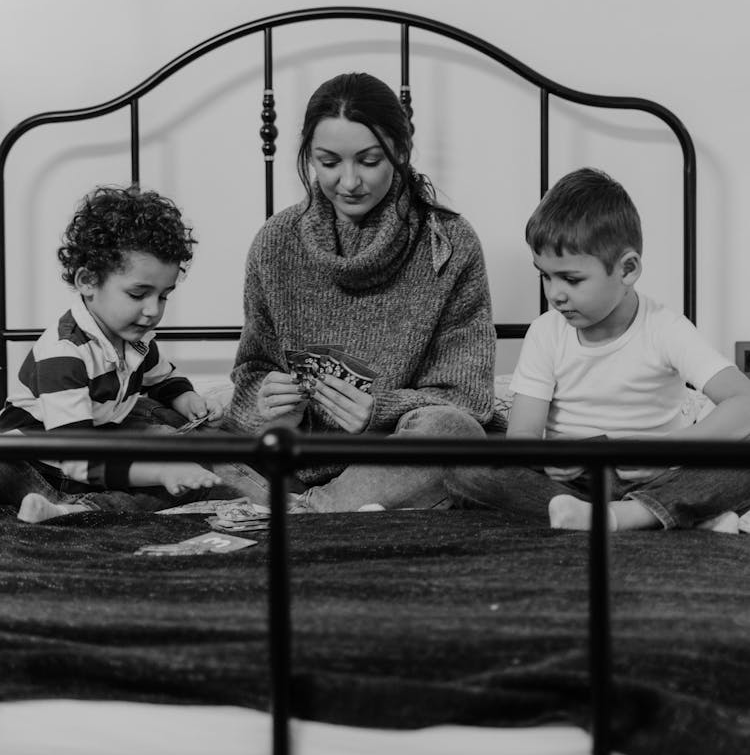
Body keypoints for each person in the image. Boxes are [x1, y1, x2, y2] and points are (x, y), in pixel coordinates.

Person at [225, 71, 497, 511]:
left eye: (368, 161)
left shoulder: (448, 243)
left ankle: (308, 512)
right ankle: (319, 508)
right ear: (309, 158)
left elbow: (467, 399)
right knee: (182, 442)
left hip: (393, 460)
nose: (349, 182)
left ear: (401, 151)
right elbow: (250, 376)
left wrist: (379, 410)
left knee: (453, 433)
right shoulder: (274, 243)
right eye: (329, 162)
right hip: (292, 461)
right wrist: (272, 409)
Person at [445, 167, 750, 531]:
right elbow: (523, 435)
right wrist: (546, 459)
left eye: (571, 279)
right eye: (545, 275)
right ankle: (666, 515)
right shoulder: (546, 333)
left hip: (655, 476)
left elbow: (744, 401)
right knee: (462, 465)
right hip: (572, 484)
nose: (555, 294)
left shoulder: (666, 329)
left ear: (627, 269)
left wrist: (669, 450)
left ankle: (629, 515)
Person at [0, 186, 224, 522]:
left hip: (86, 462)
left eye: (163, 296)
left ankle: (70, 512)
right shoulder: (64, 354)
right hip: (32, 460)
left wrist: (188, 399)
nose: (152, 311)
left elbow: (163, 379)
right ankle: (60, 506)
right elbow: (77, 457)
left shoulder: (136, 338)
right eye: (139, 294)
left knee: (186, 483)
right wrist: (161, 472)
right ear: (88, 281)